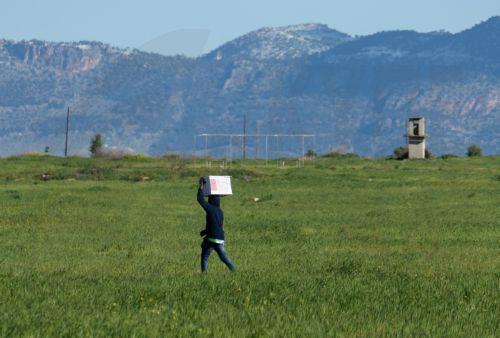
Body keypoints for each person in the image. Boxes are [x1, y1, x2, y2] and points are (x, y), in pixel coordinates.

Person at [197, 177, 236, 272]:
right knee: (224, 258)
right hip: (220, 239)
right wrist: (205, 231)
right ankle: (234, 271)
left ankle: (204, 274)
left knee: (205, 257)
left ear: (211, 201)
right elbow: (216, 225)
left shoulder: (210, 209)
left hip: (211, 239)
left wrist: (201, 186)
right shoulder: (220, 211)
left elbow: (200, 199)